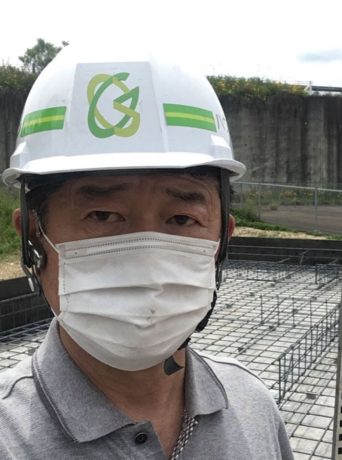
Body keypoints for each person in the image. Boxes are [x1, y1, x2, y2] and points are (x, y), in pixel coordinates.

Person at [0, 45, 294, 459]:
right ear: (33, 237)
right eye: (103, 215)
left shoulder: (253, 407)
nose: (149, 262)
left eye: (181, 218)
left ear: (221, 242)